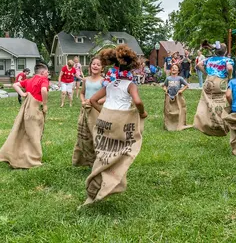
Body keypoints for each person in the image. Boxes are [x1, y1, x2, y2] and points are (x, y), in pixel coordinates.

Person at [82, 44, 147, 205]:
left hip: (105, 120)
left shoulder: (109, 84)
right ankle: (113, 180)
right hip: (120, 121)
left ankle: (96, 183)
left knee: (104, 150)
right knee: (122, 150)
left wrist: (103, 112)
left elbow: (93, 100)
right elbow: (137, 101)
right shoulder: (130, 85)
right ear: (131, 68)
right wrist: (142, 113)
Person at [0, 64, 49, 168]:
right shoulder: (43, 80)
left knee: (24, 133)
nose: (47, 74)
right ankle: (34, 159)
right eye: (47, 72)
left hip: (25, 110)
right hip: (35, 109)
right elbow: (44, 90)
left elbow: (15, 85)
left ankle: (21, 156)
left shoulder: (29, 80)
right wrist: (45, 104)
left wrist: (23, 94)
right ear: (42, 73)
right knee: (35, 134)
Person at [194, 42, 234, 136]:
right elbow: (229, 68)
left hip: (209, 82)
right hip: (220, 83)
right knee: (220, 104)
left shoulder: (209, 59)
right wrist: (230, 76)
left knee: (206, 102)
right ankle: (220, 127)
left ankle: (203, 123)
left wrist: (206, 73)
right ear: (225, 52)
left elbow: (199, 65)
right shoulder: (227, 60)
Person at [72, 57, 105, 167]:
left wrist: (95, 101)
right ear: (90, 66)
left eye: (98, 65)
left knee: (96, 133)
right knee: (84, 134)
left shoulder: (103, 81)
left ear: (102, 68)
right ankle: (85, 160)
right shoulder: (85, 79)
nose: (95, 66)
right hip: (86, 108)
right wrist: (83, 101)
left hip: (97, 109)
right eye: (93, 64)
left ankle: (99, 159)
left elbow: (107, 96)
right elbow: (82, 93)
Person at [163, 64, 191, 131]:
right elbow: (164, 85)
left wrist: (181, 90)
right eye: (172, 68)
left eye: (175, 68)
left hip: (177, 96)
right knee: (169, 110)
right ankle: (169, 123)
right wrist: (165, 89)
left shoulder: (180, 78)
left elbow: (186, 85)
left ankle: (179, 123)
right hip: (169, 96)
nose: (174, 69)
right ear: (170, 70)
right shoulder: (168, 78)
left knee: (179, 109)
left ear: (178, 70)